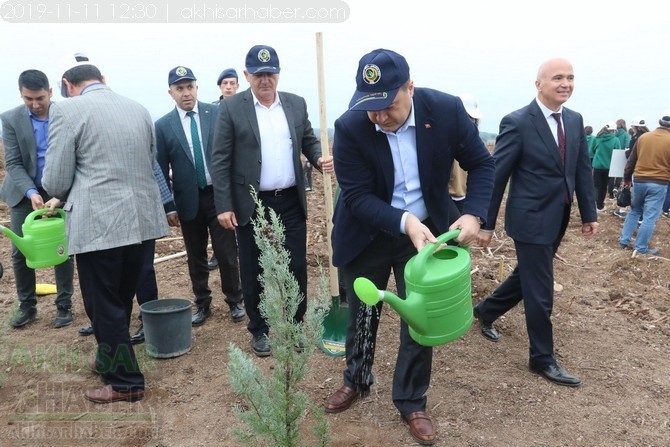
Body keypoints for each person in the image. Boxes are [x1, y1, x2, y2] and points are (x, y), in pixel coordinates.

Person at [325, 48, 495, 445]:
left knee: (419, 319)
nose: (380, 116)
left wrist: (473, 214)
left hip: (426, 237)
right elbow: (357, 197)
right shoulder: (350, 127)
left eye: (388, 105)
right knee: (363, 312)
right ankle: (357, 378)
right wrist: (404, 222)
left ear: (410, 89)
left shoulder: (446, 110)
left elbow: (482, 164)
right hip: (368, 231)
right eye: (371, 108)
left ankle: (410, 400)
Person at [42, 53, 170, 403]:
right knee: (122, 297)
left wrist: (61, 193)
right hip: (141, 220)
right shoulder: (139, 108)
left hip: (100, 224)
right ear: (102, 76)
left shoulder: (67, 110)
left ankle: (125, 382)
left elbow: (54, 179)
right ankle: (108, 355)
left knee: (104, 305)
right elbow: (148, 162)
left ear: (68, 86)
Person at [475, 58, 598, 388]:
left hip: (558, 216)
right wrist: (485, 223)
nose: (566, 83)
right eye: (557, 77)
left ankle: (485, 311)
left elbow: (581, 170)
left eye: (571, 77)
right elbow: (497, 176)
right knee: (540, 289)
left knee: (527, 275)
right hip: (529, 219)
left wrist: (589, 214)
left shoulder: (574, 121)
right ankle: (541, 358)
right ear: (538, 84)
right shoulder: (517, 122)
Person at [210, 44, 334, 357]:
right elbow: (220, 158)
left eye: (271, 73)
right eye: (259, 74)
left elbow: (307, 139)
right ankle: (260, 329)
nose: (265, 79)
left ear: (278, 74)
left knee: (296, 265)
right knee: (253, 267)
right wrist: (223, 204)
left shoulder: (295, 103)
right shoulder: (231, 108)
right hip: (252, 202)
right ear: (247, 74)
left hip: (290, 201)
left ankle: (293, 325)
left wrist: (318, 159)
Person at [155, 66, 245, 326]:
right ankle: (202, 303)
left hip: (219, 197)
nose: (186, 93)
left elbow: (232, 152)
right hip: (187, 200)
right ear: (170, 92)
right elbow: (160, 169)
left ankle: (235, 300)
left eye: (189, 87)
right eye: (179, 88)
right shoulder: (163, 126)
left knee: (226, 252)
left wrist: (234, 194)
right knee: (195, 255)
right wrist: (168, 205)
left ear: (197, 88)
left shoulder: (216, 114)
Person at [0, 69, 75, 329]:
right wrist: (32, 192)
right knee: (21, 249)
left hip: (58, 188)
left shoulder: (66, 115)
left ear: (50, 93)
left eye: (40, 98)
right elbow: (13, 163)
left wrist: (59, 193)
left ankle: (64, 305)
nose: (35, 104)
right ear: (21, 95)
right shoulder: (10, 119)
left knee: (62, 247)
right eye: (28, 99)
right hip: (23, 193)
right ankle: (27, 305)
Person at [78, 161, 176, 343]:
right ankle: (109, 324)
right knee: (110, 274)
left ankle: (148, 320)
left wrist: (168, 205)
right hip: (102, 214)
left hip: (139, 210)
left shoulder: (135, 131)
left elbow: (152, 164)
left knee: (143, 270)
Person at [618, 111, 670, 255]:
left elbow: (631, 160)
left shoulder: (644, 138)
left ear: (659, 122)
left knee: (634, 211)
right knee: (650, 217)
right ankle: (640, 248)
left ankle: (624, 240)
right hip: (659, 182)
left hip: (639, 180)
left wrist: (627, 179)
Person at [208, 67, 240, 270]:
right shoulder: (212, 110)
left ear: (237, 86)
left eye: (232, 83)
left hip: (240, 168)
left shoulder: (243, 107)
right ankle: (219, 253)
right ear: (220, 86)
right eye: (225, 83)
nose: (228, 87)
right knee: (222, 208)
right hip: (221, 166)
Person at [449, 93, 483, 213]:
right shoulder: (446, 142)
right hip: (449, 199)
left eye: (473, 119)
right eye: (468, 117)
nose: (471, 122)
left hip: (465, 198)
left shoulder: (474, 146)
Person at [614, 117, 649, 218]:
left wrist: (626, 152)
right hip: (651, 169)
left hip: (638, 168)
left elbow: (632, 155)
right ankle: (643, 214)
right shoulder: (649, 136)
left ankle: (636, 214)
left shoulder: (636, 138)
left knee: (636, 192)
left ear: (634, 127)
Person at [591, 122, 621, 212]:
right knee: (603, 187)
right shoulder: (616, 140)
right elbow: (618, 153)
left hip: (597, 165)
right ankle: (599, 206)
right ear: (614, 130)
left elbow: (592, 149)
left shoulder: (597, 138)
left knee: (596, 186)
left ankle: (593, 205)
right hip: (608, 167)